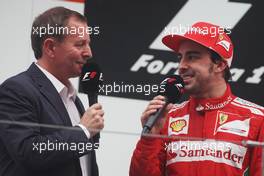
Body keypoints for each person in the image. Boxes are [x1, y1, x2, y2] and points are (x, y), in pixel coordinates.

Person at [129, 22, 264, 176]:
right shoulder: (167, 117)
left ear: (219, 65)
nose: (181, 66)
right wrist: (149, 138)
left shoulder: (257, 119)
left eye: (192, 57)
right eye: (180, 58)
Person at [0, 7, 104, 176]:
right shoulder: (16, 90)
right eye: (80, 44)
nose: (89, 53)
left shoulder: (73, 100)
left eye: (88, 44)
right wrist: (83, 131)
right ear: (50, 47)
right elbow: (29, 152)